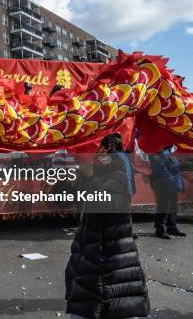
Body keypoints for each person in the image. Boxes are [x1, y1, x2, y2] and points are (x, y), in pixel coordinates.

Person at [65, 134, 150, 319]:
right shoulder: (92, 172)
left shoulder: (117, 175)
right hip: (89, 252)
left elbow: (107, 205)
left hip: (113, 256)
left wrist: (89, 178)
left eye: (100, 148)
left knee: (119, 304)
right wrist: (72, 180)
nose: (96, 153)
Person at [149, 145, 186, 239]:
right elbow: (160, 169)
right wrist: (171, 180)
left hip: (172, 184)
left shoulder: (168, 152)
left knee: (173, 206)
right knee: (164, 206)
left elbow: (174, 168)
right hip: (163, 184)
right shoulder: (156, 153)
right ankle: (160, 229)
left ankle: (171, 227)